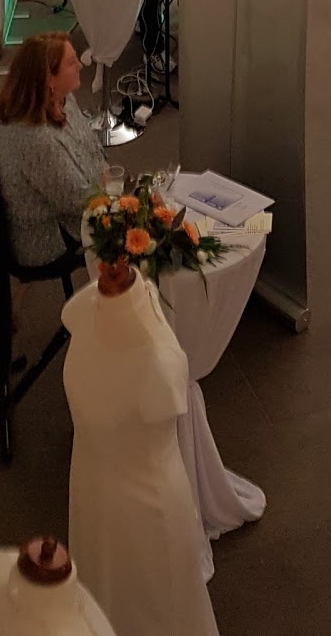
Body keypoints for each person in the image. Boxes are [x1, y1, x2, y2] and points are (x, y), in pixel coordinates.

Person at [62, 258, 219, 636]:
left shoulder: (157, 362)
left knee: (157, 606)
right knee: (102, 588)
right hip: (93, 489)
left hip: (144, 506)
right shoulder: (86, 310)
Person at [0, 33, 105, 270]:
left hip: (77, 203)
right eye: (71, 62)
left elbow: (91, 147)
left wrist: (105, 176)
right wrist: (115, 193)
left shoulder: (61, 99)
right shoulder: (35, 139)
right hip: (48, 240)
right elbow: (78, 200)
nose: (80, 65)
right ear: (49, 79)